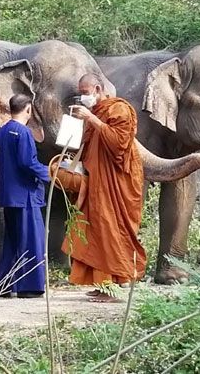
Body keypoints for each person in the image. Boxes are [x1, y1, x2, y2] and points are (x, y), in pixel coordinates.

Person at [60, 74, 146, 303]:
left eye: (85, 91)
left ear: (98, 89)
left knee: (110, 229)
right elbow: (90, 145)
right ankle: (102, 283)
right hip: (97, 180)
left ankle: (114, 286)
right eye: (81, 92)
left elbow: (119, 143)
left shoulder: (119, 109)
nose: (83, 96)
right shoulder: (96, 113)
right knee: (95, 230)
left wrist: (92, 119)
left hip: (117, 182)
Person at [0, 94, 51, 298]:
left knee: (13, 241)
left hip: (8, 196)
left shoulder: (1, 133)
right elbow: (27, 163)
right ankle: (29, 287)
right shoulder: (23, 132)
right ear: (28, 109)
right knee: (32, 241)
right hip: (26, 196)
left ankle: (4, 285)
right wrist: (50, 172)